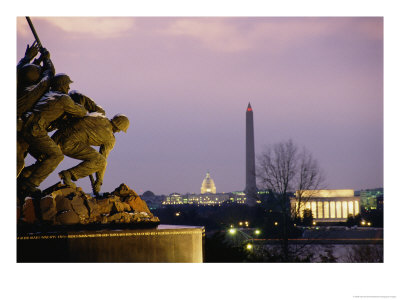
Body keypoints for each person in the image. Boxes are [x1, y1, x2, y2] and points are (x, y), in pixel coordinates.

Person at [18, 73, 88, 195]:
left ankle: (24, 177)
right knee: (56, 156)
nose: (68, 88)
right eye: (67, 85)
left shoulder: (47, 95)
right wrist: (80, 105)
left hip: (26, 127)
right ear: (61, 85)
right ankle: (29, 184)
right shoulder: (62, 99)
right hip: (35, 130)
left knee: (44, 157)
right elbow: (81, 112)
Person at [53, 114, 130, 194]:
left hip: (57, 137)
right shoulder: (110, 139)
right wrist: (99, 181)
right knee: (100, 161)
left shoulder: (99, 118)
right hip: (68, 144)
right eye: (120, 130)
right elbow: (102, 160)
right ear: (118, 128)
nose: (118, 131)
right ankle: (68, 174)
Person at [17, 43, 55, 177]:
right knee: (17, 162)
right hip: (19, 128)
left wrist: (27, 58)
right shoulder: (34, 90)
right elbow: (49, 74)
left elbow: (17, 72)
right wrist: (47, 59)